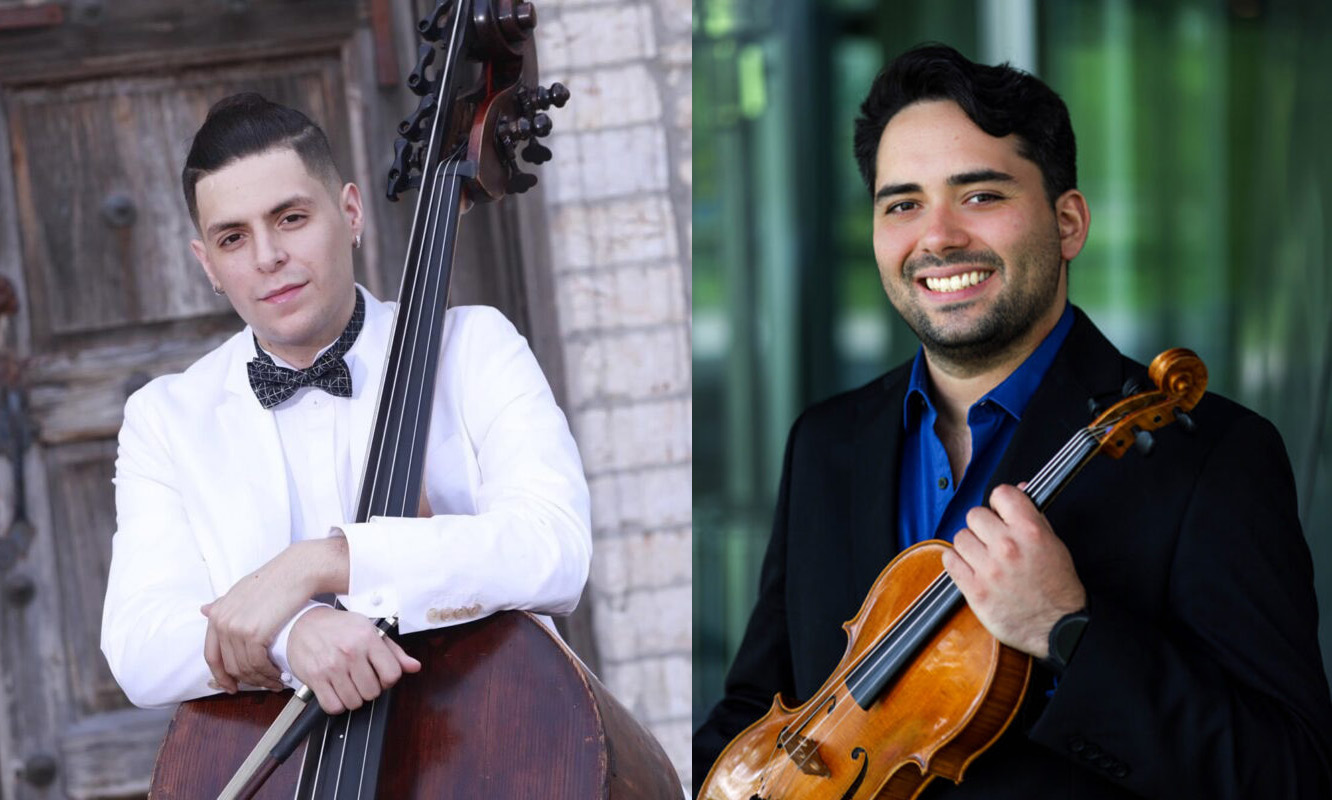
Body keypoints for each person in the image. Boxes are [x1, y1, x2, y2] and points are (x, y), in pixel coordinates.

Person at [694, 44, 1332, 798]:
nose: (936, 238)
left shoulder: (1211, 456)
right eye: (902, 203)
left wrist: (1070, 632)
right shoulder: (828, 443)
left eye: (980, 196)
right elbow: (760, 711)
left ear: (1068, 223)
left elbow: (1292, 774)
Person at [100, 93, 591, 717]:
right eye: (232, 237)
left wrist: (323, 563)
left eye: (290, 218)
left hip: (491, 738)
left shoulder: (473, 349)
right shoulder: (165, 419)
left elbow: (555, 550)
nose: (266, 257)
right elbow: (138, 643)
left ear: (350, 213)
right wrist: (289, 635)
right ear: (208, 265)